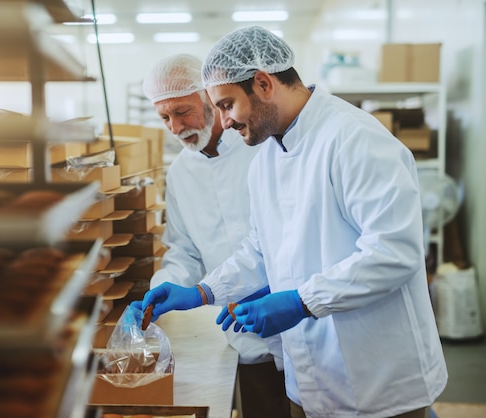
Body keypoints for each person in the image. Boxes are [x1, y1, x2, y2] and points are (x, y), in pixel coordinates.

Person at [134, 26, 448, 418]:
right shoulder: (269, 156)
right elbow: (260, 249)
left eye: (228, 105)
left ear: (263, 84)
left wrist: (301, 301)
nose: (225, 122)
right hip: (311, 377)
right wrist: (201, 291)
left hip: (376, 378)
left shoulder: (353, 139)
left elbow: (394, 252)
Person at [138, 53, 290, 418]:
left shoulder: (264, 148)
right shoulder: (180, 173)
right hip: (241, 331)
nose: (175, 128)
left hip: (296, 315)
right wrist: (164, 288)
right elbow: (184, 250)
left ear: (210, 96)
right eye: (164, 118)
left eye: (182, 111)